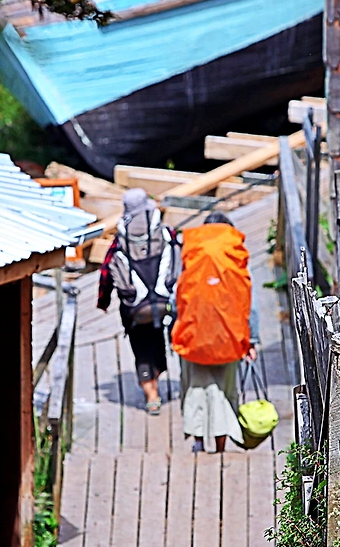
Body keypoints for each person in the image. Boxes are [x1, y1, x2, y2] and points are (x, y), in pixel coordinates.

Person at [171, 212, 258, 452]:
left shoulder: (192, 253)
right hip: (229, 336)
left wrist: (177, 329)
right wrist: (252, 340)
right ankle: (220, 446)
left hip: (193, 334)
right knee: (225, 391)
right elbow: (250, 303)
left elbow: (177, 295)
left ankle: (198, 443)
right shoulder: (235, 257)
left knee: (196, 388)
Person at [97, 188, 181, 415]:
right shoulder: (165, 233)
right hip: (165, 300)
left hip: (134, 307)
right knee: (158, 340)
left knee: (141, 347)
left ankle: (151, 395)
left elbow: (106, 273)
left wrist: (103, 301)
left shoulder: (120, 240)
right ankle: (157, 374)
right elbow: (181, 257)